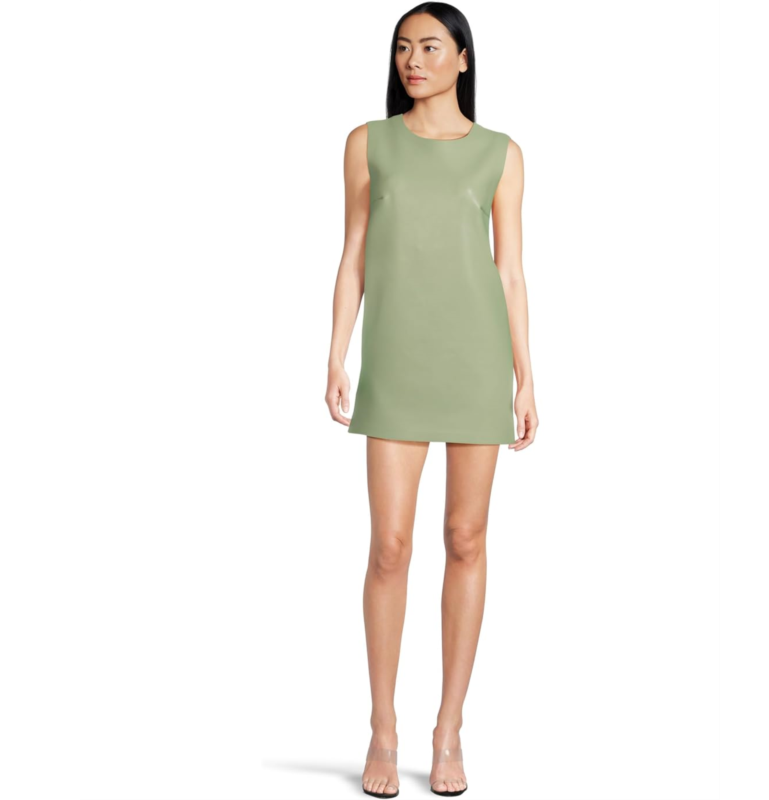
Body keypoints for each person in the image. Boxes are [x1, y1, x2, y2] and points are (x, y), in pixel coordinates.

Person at [325, 3, 538, 796]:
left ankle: (449, 729)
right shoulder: (368, 144)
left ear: (463, 59)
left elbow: (509, 271)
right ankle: (383, 727)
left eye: (430, 47)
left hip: (476, 360)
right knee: (390, 547)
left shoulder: (501, 154)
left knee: (466, 538)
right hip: (396, 359)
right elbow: (353, 254)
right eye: (402, 48)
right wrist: (337, 353)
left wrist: (526, 375)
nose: (413, 60)